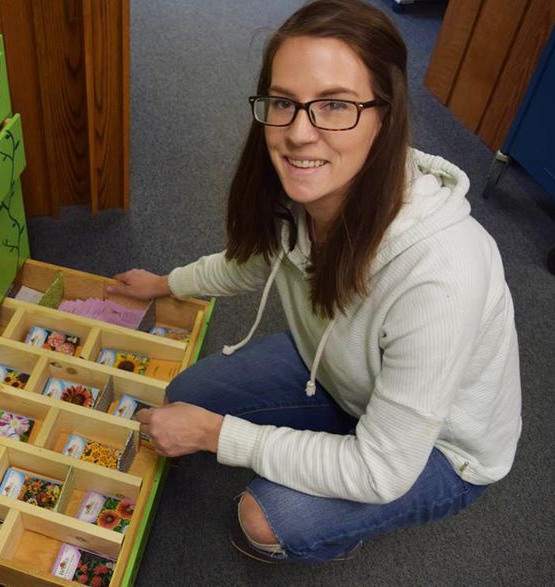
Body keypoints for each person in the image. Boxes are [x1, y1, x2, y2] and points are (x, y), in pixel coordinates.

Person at [106, 0, 522, 564]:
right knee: (186, 394)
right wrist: (165, 284)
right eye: (283, 103)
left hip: (442, 450)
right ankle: (332, 429)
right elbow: (251, 262)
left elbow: (382, 470)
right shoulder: (308, 193)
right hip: (345, 373)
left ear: (386, 112)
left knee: (264, 519)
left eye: (335, 105)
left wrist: (215, 435)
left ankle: (331, 532)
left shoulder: (443, 273)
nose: (299, 134)